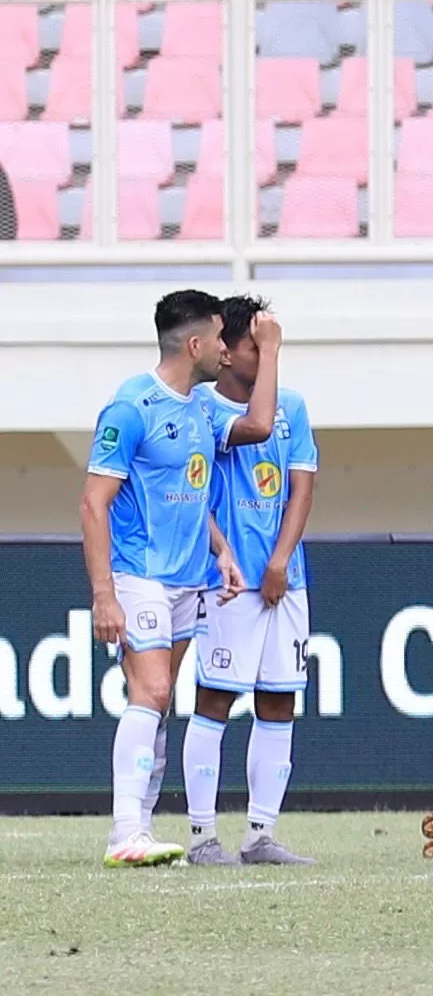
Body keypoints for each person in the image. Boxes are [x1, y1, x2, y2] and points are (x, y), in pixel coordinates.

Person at [81, 289, 272, 868]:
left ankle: (138, 828)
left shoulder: (203, 410)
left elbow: (200, 483)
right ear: (193, 345)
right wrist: (104, 595)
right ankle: (124, 831)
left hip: (190, 578)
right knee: (153, 692)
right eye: (218, 340)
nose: (225, 350)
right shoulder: (130, 408)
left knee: (160, 702)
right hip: (139, 574)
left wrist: (221, 550)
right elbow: (93, 504)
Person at [182, 295, 317, 867]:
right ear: (228, 352)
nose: (263, 354)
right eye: (254, 346)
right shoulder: (201, 408)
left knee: (280, 701)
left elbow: (302, 485)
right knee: (215, 699)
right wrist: (227, 554)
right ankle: (202, 836)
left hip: (285, 581)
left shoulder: (294, 406)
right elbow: (249, 437)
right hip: (228, 582)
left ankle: (261, 835)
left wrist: (281, 561)